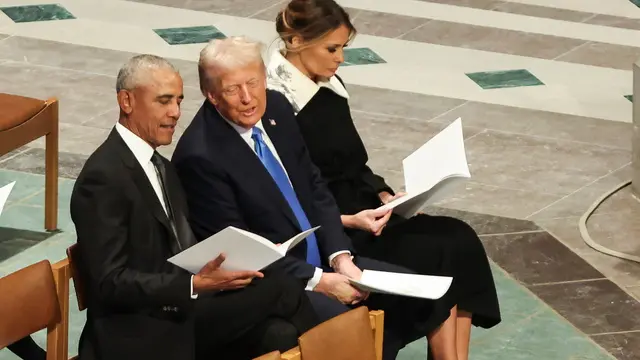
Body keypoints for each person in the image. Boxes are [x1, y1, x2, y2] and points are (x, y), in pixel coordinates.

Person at [173, 36, 470, 360]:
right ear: (211, 94)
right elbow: (240, 253)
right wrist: (320, 281)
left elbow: (315, 188)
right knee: (350, 329)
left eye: (253, 83)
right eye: (233, 89)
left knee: (429, 292)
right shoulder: (201, 156)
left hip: (326, 261)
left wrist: (341, 257)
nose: (248, 98)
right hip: (281, 281)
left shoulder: (277, 109)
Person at [265, 0, 502, 359]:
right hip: (336, 229)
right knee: (437, 252)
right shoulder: (276, 104)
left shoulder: (330, 86)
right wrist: (347, 220)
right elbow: (290, 192)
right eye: (332, 48)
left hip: (367, 210)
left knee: (460, 238)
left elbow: (351, 161)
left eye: (343, 48)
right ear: (296, 41)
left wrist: (385, 193)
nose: (340, 59)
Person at [69, 54, 318, 360]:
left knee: (280, 334)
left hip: (183, 307)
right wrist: (193, 284)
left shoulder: (161, 165)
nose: (175, 112)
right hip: (141, 329)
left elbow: (180, 246)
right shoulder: (103, 178)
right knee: (282, 287)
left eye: (178, 101)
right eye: (163, 101)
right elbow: (110, 282)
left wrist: (238, 259)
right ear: (127, 101)